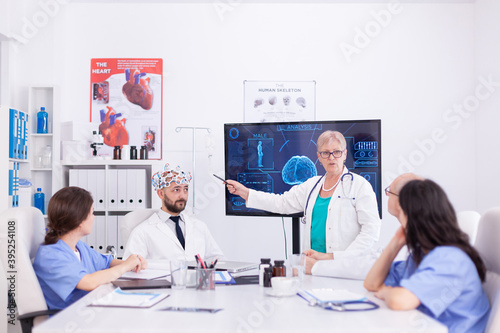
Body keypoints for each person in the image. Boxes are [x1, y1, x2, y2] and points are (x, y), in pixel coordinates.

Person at [226, 130, 380, 277]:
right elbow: (281, 203)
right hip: (311, 266)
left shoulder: (360, 186)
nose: (331, 157)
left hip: (344, 269)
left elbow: (371, 230)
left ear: (344, 154)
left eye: (337, 152)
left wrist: (335, 257)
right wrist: (245, 192)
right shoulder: (311, 185)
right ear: (319, 157)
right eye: (326, 153)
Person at [364, 175, 490, 333]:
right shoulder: (421, 255)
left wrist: (388, 292)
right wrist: (395, 243)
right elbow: (372, 284)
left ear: (413, 218)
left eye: (401, 214)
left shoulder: (450, 259)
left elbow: (399, 301)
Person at [33, 187, 147, 310]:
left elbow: (107, 262)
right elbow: (88, 282)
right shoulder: (51, 255)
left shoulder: (79, 247)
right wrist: (126, 266)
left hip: (92, 309)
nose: (93, 217)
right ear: (79, 219)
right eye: (92, 212)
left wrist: (133, 262)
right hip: (70, 320)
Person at [124, 163, 224, 261]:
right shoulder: (142, 232)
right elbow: (130, 268)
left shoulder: (200, 226)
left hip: (196, 277)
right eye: (176, 190)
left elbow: (217, 259)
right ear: (161, 194)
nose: (183, 195)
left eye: (185, 189)